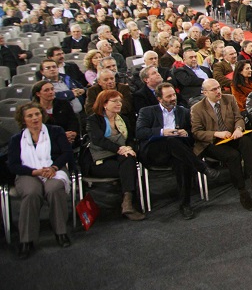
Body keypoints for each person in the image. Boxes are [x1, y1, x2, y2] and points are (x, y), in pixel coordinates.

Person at [135, 82, 221, 220]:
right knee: (170, 140)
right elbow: (140, 132)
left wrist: (185, 133)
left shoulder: (183, 111)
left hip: (179, 152)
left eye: (174, 94)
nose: (173, 98)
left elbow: (193, 134)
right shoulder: (147, 111)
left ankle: (185, 204)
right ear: (159, 99)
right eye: (169, 96)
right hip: (155, 152)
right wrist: (163, 132)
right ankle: (202, 168)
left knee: (182, 162)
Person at [6, 102, 74, 259]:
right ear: (23, 120)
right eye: (30, 116)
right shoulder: (16, 139)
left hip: (53, 169)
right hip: (28, 173)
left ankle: (61, 232)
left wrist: (54, 168)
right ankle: (26, 240)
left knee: (54, 189)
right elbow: (14, 165)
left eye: (37, 114)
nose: (35, 118)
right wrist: (34, 171)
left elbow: (67, 153)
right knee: (31, 193)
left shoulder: (55, 131)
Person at [190, 79, 252, 211]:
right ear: (205, 93)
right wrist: (215, 134)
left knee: (246, 140)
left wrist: (238, 129)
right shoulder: (197, 109)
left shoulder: (229, 99)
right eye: (214, 89)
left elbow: (239, 118)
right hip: (212, 143)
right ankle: (243, 192)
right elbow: (196, 133)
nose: (218, 91)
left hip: (231, 136)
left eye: (218, 87)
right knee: (233, 155)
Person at [85, 90, 145, 221]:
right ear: (104, 104)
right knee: (128, 166)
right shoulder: (93, 120)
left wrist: (128, 147)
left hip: (121, 156)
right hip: (100, 160)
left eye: (120, 101)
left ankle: (127, 201)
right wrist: (120, 149)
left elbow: (131, 138)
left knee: (129, 160)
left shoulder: (123, 118)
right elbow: (98, 140)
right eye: (115, 101)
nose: (119, 104)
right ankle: (128, 202)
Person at [31, 80, 80, 147]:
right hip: (45, 142)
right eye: (46, 90)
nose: (51, 92)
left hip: (68, 139)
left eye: (52, 89)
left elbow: (73, 121)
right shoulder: (33, 110)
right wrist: (61, 136)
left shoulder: (63, 104)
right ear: (38, 94)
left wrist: (72, 133)